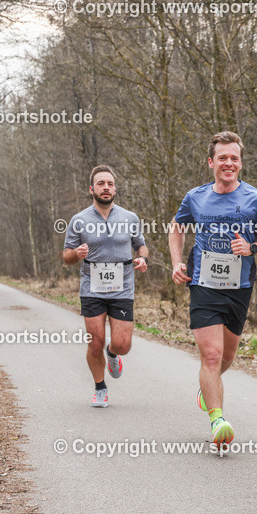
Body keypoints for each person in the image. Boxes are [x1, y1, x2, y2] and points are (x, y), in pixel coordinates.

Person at [169, 131, 257, 446]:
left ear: (240, 163)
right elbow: (177, 227)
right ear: (211, 162)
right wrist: (177, 263)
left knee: (227, 356)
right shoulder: (195, 197)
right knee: (211, 354)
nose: (229, 163)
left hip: (240, 286)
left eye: (234, 158)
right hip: (203, 283)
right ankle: (217, 420)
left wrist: (253, 248)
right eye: (222, 157)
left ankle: (207, 390)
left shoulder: (256, 199)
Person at [63, 165, 149, 407]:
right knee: (95, 342)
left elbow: (141, 245)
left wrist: (143, 258)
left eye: (110, 184)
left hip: (122, 287)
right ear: (92, 189)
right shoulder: (79, 220)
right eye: (101, 183)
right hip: (92, 288)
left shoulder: (129, 217)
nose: (106, 188)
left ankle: (113, 354)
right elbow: (66, 256)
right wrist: (76, 253)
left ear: (115, 189)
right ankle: (100, 387)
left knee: (123, 344)